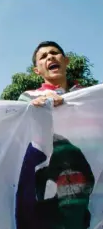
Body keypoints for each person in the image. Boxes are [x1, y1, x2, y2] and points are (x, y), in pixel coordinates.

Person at [18, 41, 94, 229]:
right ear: (37, 71)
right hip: (52, 181)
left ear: (66, 61)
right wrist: (35, 110)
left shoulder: (89, 97)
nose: (50, 57)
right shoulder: (27, 98)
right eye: (43, 57)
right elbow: (21, 135)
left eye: (54, 53)